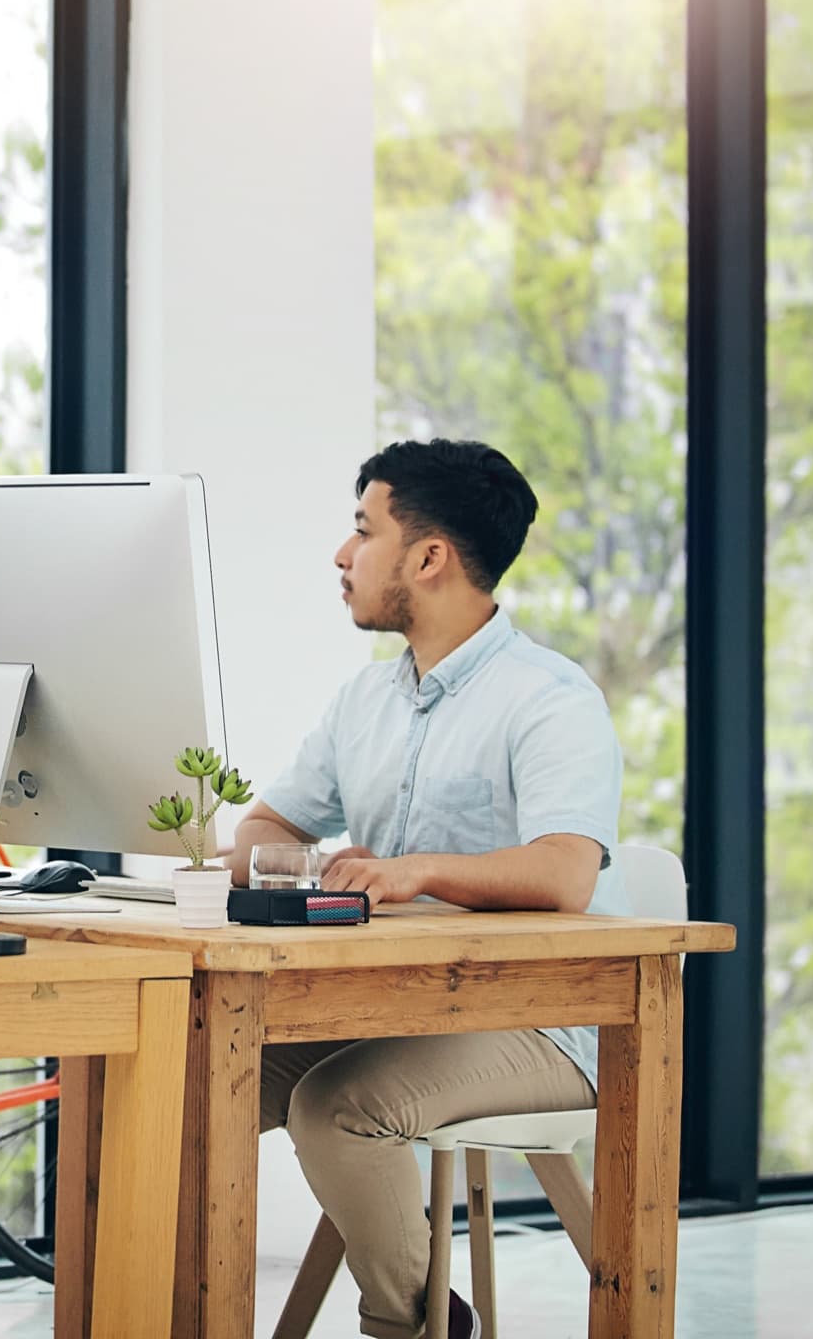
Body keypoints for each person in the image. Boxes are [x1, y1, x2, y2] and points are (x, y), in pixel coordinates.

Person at [222, 439, 629, 1339]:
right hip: (388, 1005)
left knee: (337, 1109)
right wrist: (297, 865)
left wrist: (419, 871)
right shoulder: (362, 703)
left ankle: (416, 1327)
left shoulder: (551, 699)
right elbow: (262, 833)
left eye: (363, 530)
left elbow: (567, 872)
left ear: (429, 557)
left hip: (537, 1022)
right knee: (202, 1076)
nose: (342, 554)